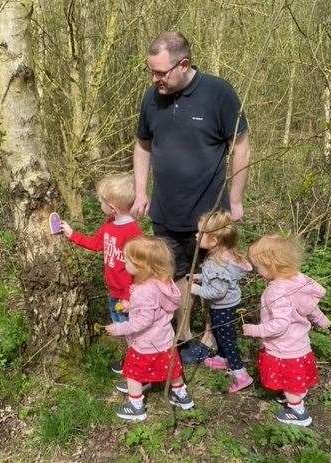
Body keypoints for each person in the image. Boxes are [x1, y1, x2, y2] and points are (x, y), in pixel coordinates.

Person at [130, 31, 251, 360]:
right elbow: (142, 146)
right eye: (151, 71)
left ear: (183, 64)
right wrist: (141, 191)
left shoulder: (218, 93)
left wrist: (236, 199)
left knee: (216, 274)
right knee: (176, 273)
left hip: (210, 214)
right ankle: (183, 337)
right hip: (166, 209)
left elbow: (240, 146)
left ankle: (214, 338)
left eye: (161, 72)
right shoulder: (151, 98)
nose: (155, 79)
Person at [244, 235, 331, 426]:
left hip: (285, 346)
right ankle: (294, 394)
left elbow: (280, 324)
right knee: (294, 377)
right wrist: (323, 321)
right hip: (300, 343)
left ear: (272, 265)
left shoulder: (276, 290)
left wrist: (255, 330)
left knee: (291, 379)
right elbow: (310, 307)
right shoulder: (298, 280)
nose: (257, 271)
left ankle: (298, 412)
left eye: (259, 267)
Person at [60, 173, 143, 373]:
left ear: (112, 207)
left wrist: (131, 295)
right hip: (113, 292)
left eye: (101, 201)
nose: (99, 204)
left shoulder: (133, 232)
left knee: (132, 330)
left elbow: (141, 268)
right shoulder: (109, 224)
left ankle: (138, 367)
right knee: (123, 328)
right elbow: (97, 244)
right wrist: (73, 236)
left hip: (128, 295)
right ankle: (132, 361)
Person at [106, 236, 194, 421]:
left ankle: (136, 405)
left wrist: (120, 328)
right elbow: (155, 310)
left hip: (146, 342)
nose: (124, 261)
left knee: (132, 372)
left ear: (143, 266)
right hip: (165, 339)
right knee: (172, 368)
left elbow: (142, 322)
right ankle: (182, 396)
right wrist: (133, 306)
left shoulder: (144, 291)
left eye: (128, 259)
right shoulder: (163, 283)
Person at [189, 211, 253, 392]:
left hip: (222, 306)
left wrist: (195, 289)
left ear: (214, 241)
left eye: (200, 233)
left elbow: (218, 291)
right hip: (230, 304)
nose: (196, 235)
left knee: (227, 339)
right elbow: (221, 279)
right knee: (221, 333)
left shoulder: (214, 263)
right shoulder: (225, 256)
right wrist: (201, 277)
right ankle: (223, 358)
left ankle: (241, 375)